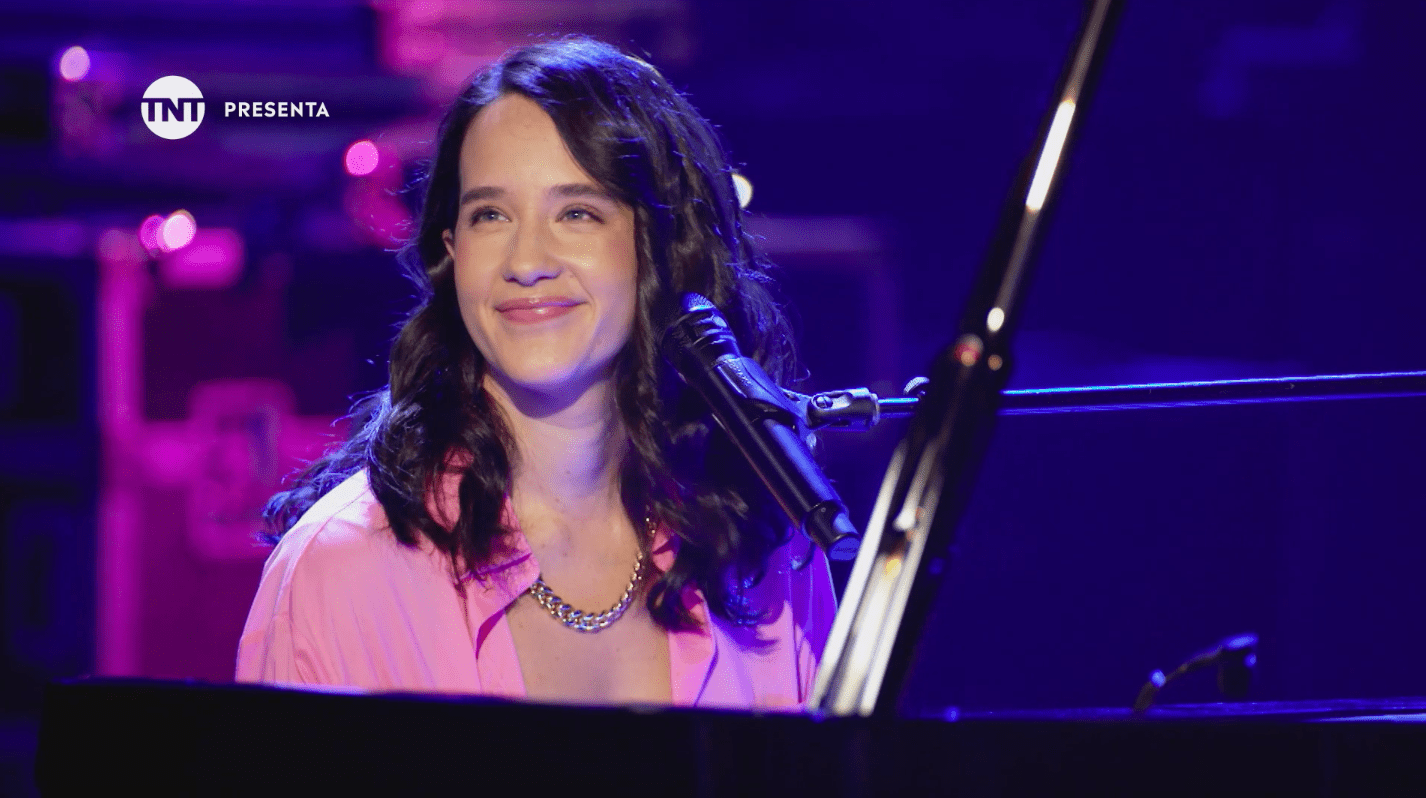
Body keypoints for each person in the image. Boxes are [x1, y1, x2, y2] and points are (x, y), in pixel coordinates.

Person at [236, 36, 837, 710]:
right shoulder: (338, 567)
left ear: (662, 245)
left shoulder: (761, 544)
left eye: (576, 212)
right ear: (452, 252)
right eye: (491, 215)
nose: (526, 261)